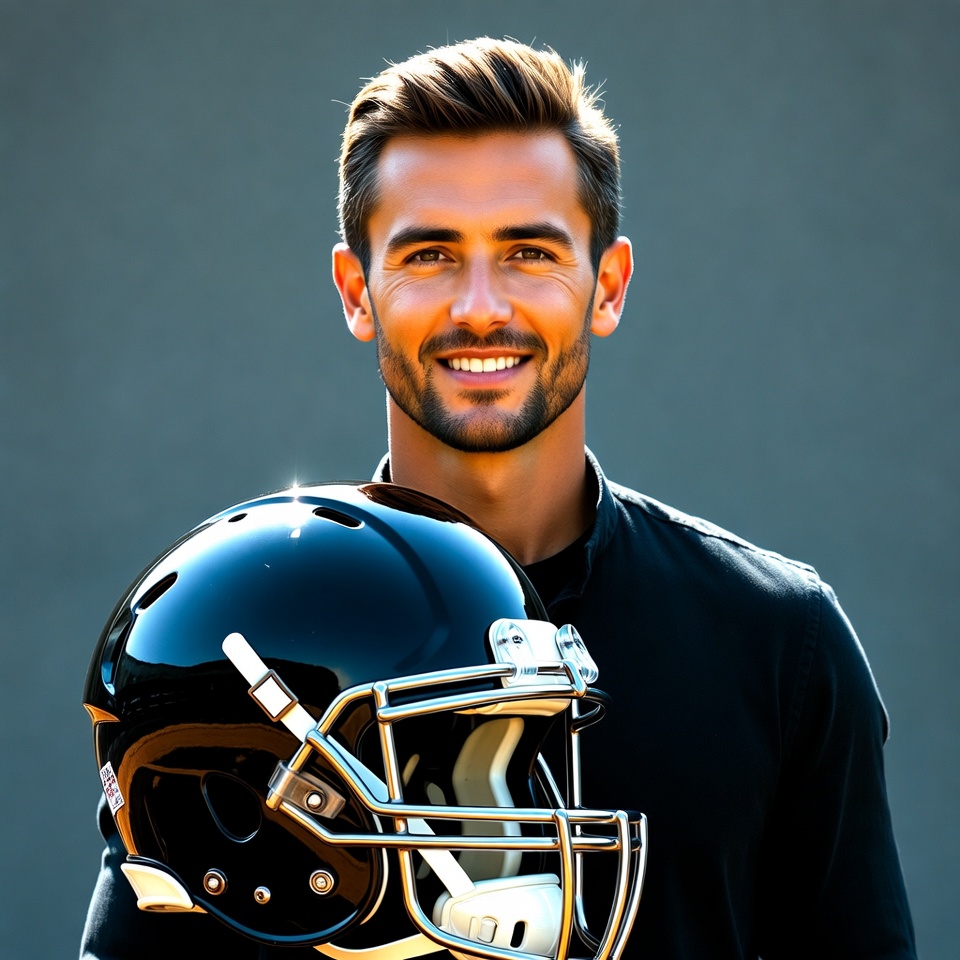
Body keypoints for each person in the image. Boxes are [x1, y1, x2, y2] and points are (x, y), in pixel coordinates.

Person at [81, 37, 916, 959]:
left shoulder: (778, 642)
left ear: (608, 284)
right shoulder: (245, 625)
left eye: (528, 251)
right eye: (432, 254)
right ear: (358, 291)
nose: (481, 306)